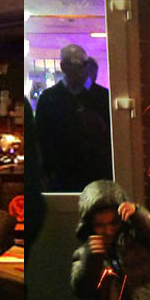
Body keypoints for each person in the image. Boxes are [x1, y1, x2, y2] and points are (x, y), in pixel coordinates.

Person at [35, 44, 111, 192]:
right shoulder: (49, 98)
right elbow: (41, 138)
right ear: (64, 67)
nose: (82, 72)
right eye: (77, 66)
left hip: (95, 173)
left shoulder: (100, 96)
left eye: (83, 66)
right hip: (62, 175)